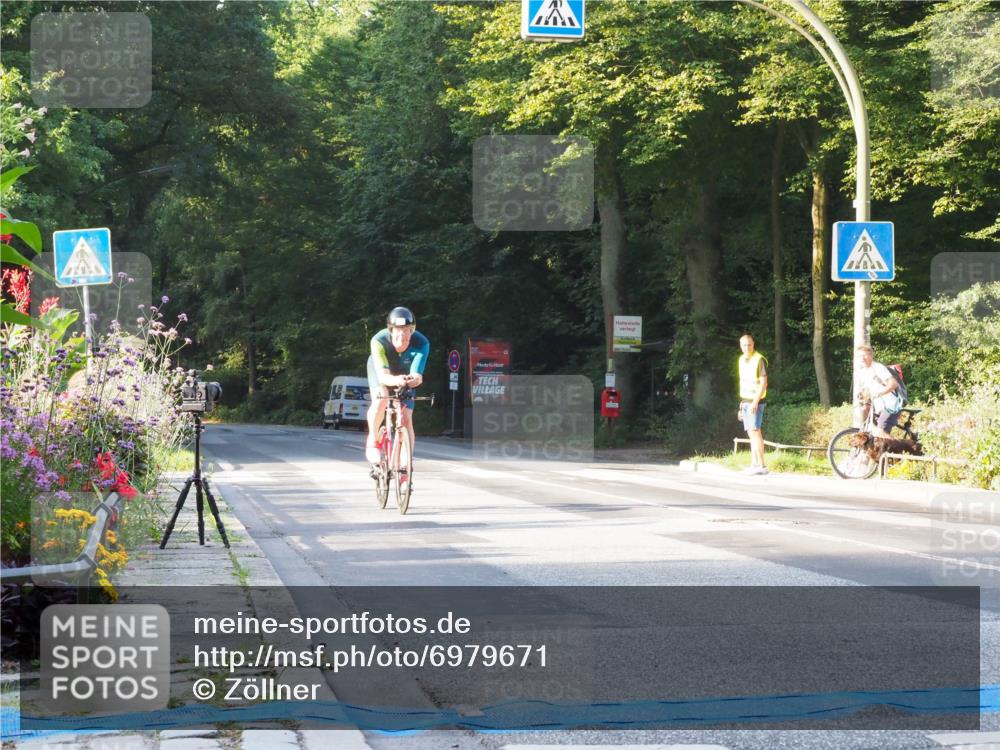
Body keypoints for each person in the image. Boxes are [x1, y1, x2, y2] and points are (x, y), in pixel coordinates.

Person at [365, 307, 430, 475]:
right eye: (399, 331)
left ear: (412, 331)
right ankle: (373, 440)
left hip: (404, 374)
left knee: (407, 416)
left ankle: (405, 464)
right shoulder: (378, 341)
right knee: (382, 400)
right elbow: (383, 377)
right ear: (391, 330)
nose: (403, 336)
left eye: (407, 331)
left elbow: (417, 374)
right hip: (382, 371)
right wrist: (396, 380)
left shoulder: (422, 343)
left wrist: (414, 380)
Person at [853, 344, 901, 438]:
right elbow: (868, 391)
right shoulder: (863, 372)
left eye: (865, 355)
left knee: (880, 433)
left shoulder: (878, 368)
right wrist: (862, 397)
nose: (862, 358)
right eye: (859, 356)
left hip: (890, 405)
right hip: (878, 407)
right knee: (873, 434)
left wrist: (879, 393)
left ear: (871, 356)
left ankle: (898, 449)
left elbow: (893, 384)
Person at [737, 334, 768, 475]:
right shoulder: (741, 360)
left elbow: (763, 383)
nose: (747, 347)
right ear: (740, 346)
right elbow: (744, 383)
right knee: (751, 433)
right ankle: (754, 464)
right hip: (746, 401)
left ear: (753, 344)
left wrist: (755, 402)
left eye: (749, 344)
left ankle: (761, 465)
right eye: (744, 345)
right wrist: (742, 405)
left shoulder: (759, 359)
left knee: (755, 433)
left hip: (756, 401)